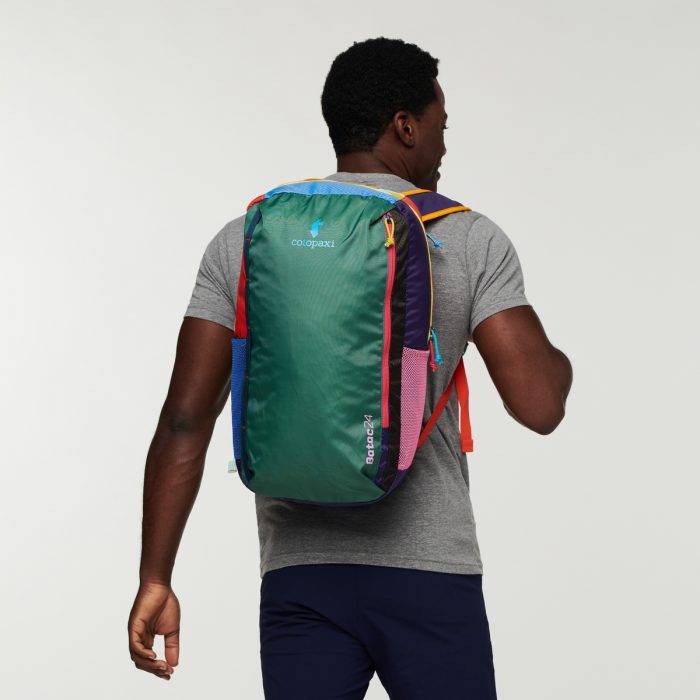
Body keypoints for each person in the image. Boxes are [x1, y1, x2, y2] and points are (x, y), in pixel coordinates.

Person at [128, 36, 573, 699]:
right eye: (440, 126)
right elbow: (539, 405)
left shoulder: (246, 238)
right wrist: (561, 364)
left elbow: (184, 421)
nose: (443, 147)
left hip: (299, 578)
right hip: (430, 574)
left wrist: (156, 578)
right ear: (405, 127)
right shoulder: (467, 237)